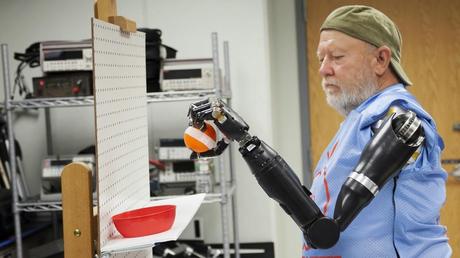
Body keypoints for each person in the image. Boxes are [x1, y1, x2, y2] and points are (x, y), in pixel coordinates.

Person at [304, 5, 452, 257]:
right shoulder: (362, 116)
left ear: (381, 60)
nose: (323, 69)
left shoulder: (396, 116)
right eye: (321, 59)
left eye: (337, 57)